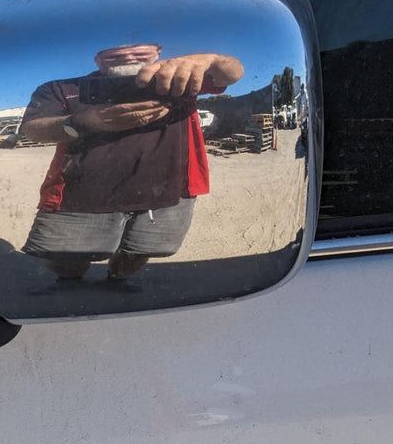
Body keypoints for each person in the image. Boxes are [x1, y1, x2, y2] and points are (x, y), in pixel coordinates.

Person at [20, 44, 243, 281]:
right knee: (65, 257)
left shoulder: (180, 78)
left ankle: (117, 280)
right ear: (97, 58)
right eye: (114, 52)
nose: (127, 57)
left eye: (139, 52)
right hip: (79, 192)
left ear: (157, 53)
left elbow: (231, 74)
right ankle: (69, 282)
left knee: (140, 250)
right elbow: (32, 129)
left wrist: (210, 60)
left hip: (169, 190)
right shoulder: (63, 88)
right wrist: (86, 122)